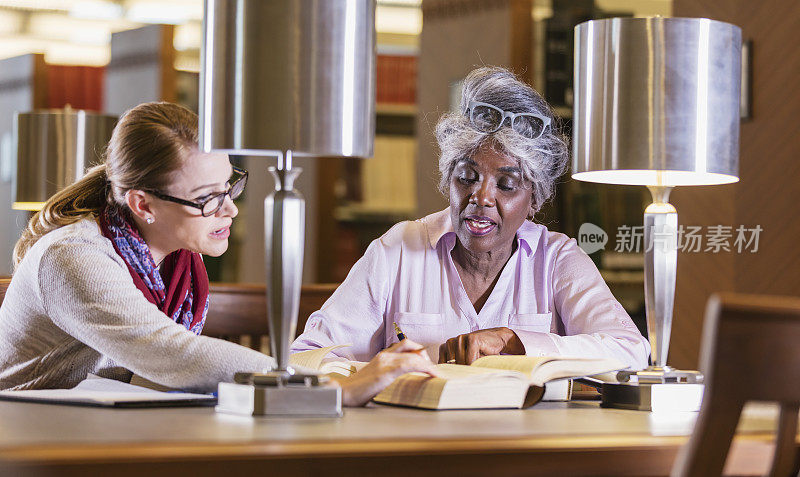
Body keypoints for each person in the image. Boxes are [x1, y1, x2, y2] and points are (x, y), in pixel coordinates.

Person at [0, 101, 436, 406]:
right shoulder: (73, 257)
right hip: (29, 442)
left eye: (230, 185)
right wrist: (325, 386)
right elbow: (170, 352)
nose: (229, 208)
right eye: (207, 198)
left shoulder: (174, 262)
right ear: (143, 205)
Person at [292, 66, 650, 368]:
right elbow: (305, 358)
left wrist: (516, 341)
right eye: (467, 177)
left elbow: (631, 350)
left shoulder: (557, 259)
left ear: (535, 199)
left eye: (507, 185)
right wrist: (404, 365)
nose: (480, 197)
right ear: (450, 178)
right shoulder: (396, 250)